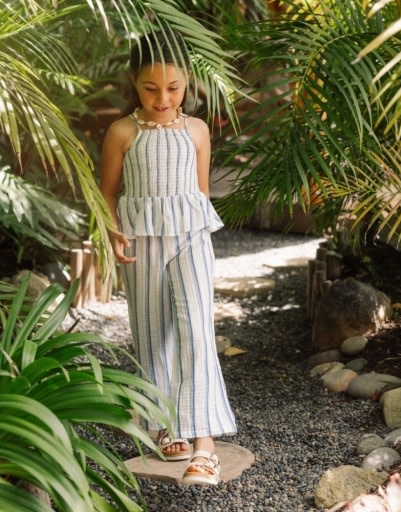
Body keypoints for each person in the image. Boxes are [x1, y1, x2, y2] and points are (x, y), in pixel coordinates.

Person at [99, 29, 237, 486]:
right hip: (141, 240)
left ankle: (204, 445)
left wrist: (200, 236)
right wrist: (112, 232)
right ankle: (164, 423)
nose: (163, 99)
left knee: (196, 329)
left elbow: (200, 193)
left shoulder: (197, 130)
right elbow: (107, 192)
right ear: (133, 82)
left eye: (173, 88)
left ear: (188, 82)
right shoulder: (123, 131)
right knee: (152, 331)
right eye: (150, 88)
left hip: (191, 238)